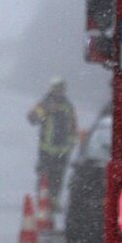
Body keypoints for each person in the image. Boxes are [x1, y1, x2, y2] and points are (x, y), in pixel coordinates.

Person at [26, 77, 77, 210]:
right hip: (46, 149)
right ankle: (42, 200)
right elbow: (32, 118)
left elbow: (72, 124)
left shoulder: (68, 105)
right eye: (56, 88)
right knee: (44, 174)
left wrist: (73, 141)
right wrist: (45, 111)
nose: (59, 91)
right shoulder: (44, 103)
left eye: (61, 88)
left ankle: (53, 201)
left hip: (63, 149)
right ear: (51, 89)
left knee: (58, 176)